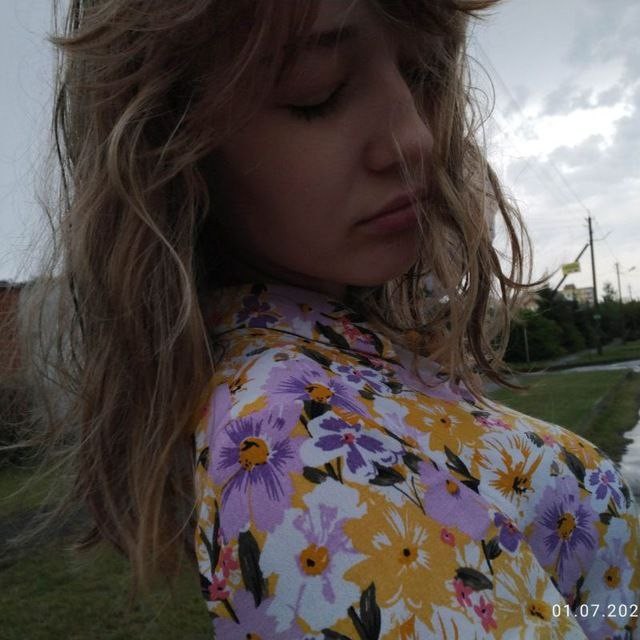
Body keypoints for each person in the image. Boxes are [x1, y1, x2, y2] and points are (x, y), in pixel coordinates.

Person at [17, 0, 639, 638]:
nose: (416, 137)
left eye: (424, 74)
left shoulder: (339, 360)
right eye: (317, 94)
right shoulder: (288, 446)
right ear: (171, 146)